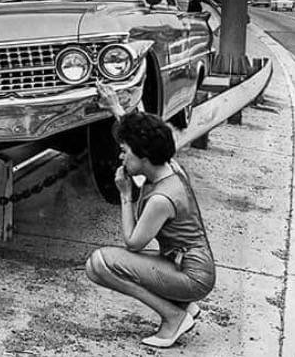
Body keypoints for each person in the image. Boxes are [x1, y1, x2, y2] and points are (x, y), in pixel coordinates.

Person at [85, 81, 215, 349]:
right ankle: (183, 306)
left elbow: (133, 242)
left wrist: (125, 195)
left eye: (125, 152)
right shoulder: (170, 168)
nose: (121, 157)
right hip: (187, 265)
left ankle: (174, 316)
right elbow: (144, 137)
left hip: (192, 275)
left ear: (143, 157)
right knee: (95, 268)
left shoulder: (160, 199)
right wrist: (115, 108)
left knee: (100, 263)